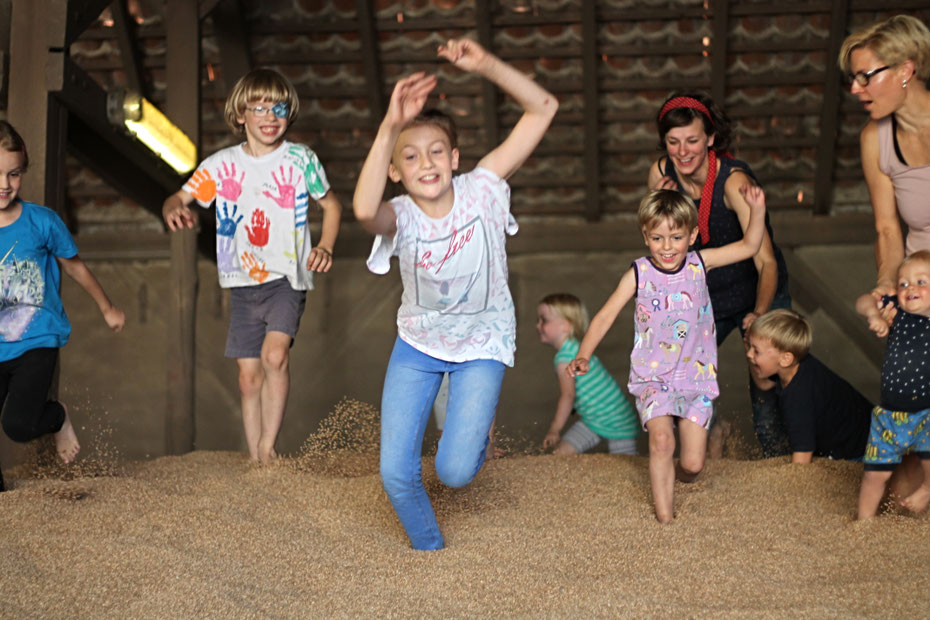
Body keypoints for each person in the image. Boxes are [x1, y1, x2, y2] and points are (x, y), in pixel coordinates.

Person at [353, 38, 557, 550]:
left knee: (455, 471)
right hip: (417, 346)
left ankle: (473, 432)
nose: (426, 162)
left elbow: (543, 108)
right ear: (395, 171)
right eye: (410, 156)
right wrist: (389, 126)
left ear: (455, 158)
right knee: (395, 473)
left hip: (482, 343)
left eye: (436, 151)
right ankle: (431, 552)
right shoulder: (399, 215)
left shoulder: (481, 189)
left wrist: (485, 64)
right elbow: (363, 211)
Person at [162, 68, 342, 464]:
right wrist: (172, 209)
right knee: (247, 378)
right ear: (240, 114)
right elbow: (176, 198)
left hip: (286, 279)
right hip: (241, 283)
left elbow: (331, 205)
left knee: (275, 356)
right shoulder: (221, 165)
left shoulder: (300, 160)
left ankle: (268, 446)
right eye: (259, 107)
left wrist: (325, 245)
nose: (269, 116)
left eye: (279, 108)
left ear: (289, 114)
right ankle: (257, 459)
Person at [568, 187, 766, 523]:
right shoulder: (639, 274)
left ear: (693, 235)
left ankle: (680, 476)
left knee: (693, 464)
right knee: (661, 442)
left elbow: (749, 246)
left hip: (696, 377)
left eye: (676, 237)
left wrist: (756, 210)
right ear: (646, 237)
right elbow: (605, 315)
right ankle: (666, 521)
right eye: (658, 238)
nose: (667, 247)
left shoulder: (700, 263)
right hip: (653, 377)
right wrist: (584, 353)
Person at [647, 92, 791, 458]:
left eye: (692, 140)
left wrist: (759, 315)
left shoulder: (733, 182)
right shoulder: (661, 174)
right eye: (673, 142)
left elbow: (766, 262)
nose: (682, 151)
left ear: (711, 138)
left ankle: (778, 456)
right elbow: (661, 243)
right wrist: (661, 205)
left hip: (756, 287)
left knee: (766, 369)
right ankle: (709, 435)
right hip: (704, 293)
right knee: (675, 366)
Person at [0, 120, 125, 490]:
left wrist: (107, 307)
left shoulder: (41, 222)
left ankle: (57, 417)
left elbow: (74, 267)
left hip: (36, 340)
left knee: (18, 426)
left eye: (13, 174)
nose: (5, 184)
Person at [839, 15, 930, 299]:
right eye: (854, 78)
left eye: (865, 76)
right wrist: (887, 284)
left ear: (905, 71)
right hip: (921, 296)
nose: (855, 88)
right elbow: (888, 230)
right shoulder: (874, 139)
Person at [855, 250, 930, 519]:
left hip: (927, 412)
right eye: (903, 283)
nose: (910, 288)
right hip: (888, 416)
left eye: (921, 282)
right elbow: (863, 300)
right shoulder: (896, 312)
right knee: (874, 475)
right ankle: (863, 523)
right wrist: (873, 315)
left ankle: (927, 489)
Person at [745, 309, 871, 464]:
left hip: (864, 450)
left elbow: (802, 456)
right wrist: (748, 345)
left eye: (756, 351)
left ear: (785, 359)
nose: (749, 354)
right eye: (750, 347)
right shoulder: (795, 367)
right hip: (864, 432)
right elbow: (763, 384)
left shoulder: (798, 396)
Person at [537, 293, 639, 455]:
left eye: (544, 320)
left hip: (616, 421)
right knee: (560, 454)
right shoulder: (576, 350)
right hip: (594, 420)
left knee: (626, 462)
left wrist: (554, 429)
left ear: (566, 325)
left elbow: (568, 396)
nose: (538, 325)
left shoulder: (565, 358)